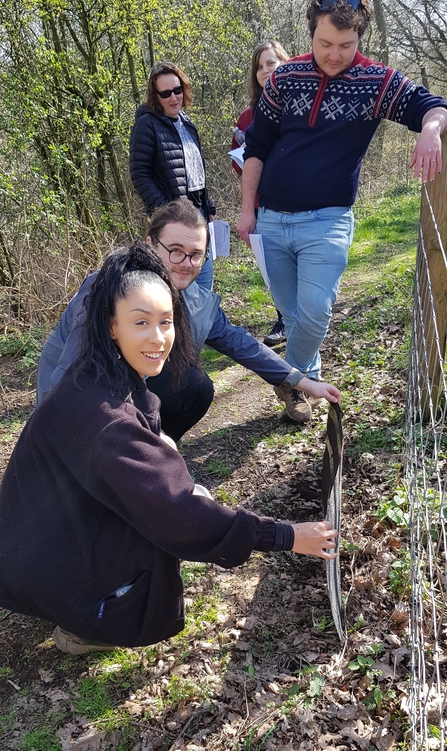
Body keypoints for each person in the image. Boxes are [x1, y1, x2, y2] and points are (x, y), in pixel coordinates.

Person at [0, 243, 339, 654]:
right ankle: (87, 623)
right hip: (39, 561)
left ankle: (71, 596)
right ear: (111, 326)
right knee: (158, 544)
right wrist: (288, 536)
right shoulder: (105, 422)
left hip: (34, 543)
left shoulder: (97, 370)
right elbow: (181, 515)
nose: (158, 338)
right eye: (141, 322)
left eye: (166, 322)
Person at [237, 0, 447, 422]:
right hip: (272, 220)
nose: (334, 54)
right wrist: (247, 211)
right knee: (292, 312)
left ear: (360, 39)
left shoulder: (376, 81)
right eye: (325, 43)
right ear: (311, 32)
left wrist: (430, 129)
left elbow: (434, 104)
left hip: (328, 221)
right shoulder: (284, 77)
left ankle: (289, 380)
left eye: (345, 45)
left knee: (315, 310)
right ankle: (305, 380)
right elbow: (256, 149)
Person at [37, 202, 341, 435]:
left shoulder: (192, 297)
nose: (186, 264)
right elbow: (68, 373)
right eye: (175, 251)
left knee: (194, 386)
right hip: (80, 400)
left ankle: (156, 450)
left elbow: (239, 342)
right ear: (150, 244)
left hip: (132, 389)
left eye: (196, 254)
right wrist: (56, 435)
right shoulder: (108, 286)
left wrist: (299, 380)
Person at [129, 61, 215, 290]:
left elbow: (195, 171)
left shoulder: (187, 123)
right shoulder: (146, 125)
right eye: (165, 93)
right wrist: (166, 212)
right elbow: (139, 174)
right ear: (155, 96)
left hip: (198, 218)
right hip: (172, 226)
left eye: (177, 90)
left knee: (203, 292)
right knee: (174, 292)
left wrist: (209, 206)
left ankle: (202, 327)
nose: (173, 97)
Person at [232, 41, 290, 348]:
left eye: (272, 63)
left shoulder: (298, 107)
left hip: (298, 202)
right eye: (260, 66)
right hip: (261, 205)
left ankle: (302, 320)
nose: (266, 70)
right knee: (273, 267)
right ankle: (284, 319)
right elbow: (238, 163)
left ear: (286, 63)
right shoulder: (246, 117)